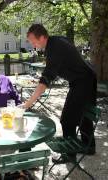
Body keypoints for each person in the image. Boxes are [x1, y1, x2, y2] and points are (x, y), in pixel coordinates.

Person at [24, 24, 97, 162]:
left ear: (42, 37)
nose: (32, 44)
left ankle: (69, 155)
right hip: (86, 77)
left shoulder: (54, 49)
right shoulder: (56, 41)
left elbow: (46, 78)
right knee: (84, 114)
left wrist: (28, 103)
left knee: (67, 119)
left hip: (82, 80)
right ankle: (89, 146)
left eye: (33, 41)